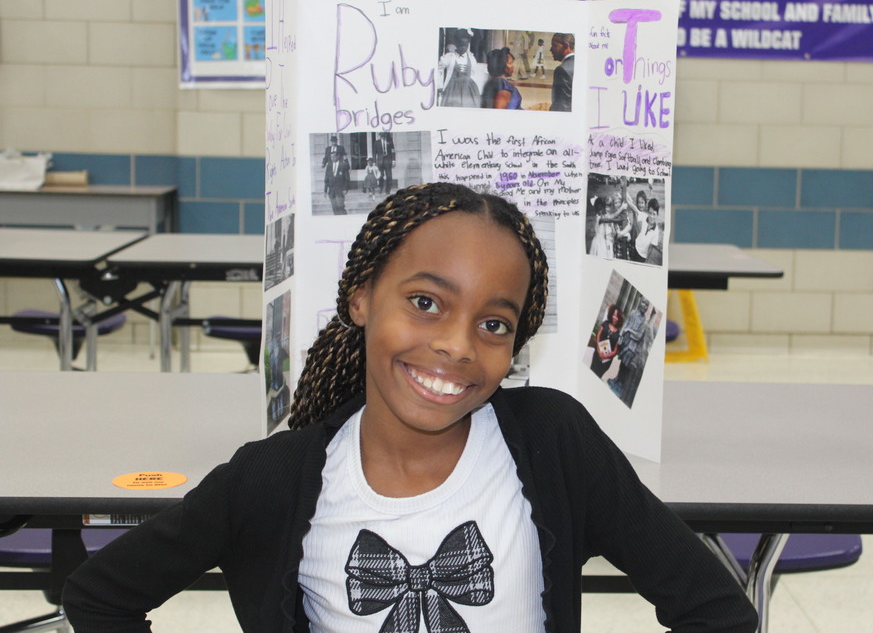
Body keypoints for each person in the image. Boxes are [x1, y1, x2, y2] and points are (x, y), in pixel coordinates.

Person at [62, 183, 757, 633]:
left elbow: (717, 611)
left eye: (493, 324)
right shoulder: (270, 480)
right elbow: (99, 597)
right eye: (425, 303)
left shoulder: (553, 443)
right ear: (362, 296)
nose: (457, 345)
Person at [608, 297, 654, 407]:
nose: (644, 306)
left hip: (633, 346)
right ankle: (617, 379)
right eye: (643, 303)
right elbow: (625, 325)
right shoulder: (633, 313)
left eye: (646, 305)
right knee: (621, 362)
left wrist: (629, 331)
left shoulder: (644, 322)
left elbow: (638, 336)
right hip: (626, 341)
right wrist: (621, 335)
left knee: (626, 364)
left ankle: (621, 385)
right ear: (639, 302)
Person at [438, 29, 481, 108]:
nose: (463, 48)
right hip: (452, 89)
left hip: (468, 90)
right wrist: (439, 86)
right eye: (461, 45)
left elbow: (474, 74)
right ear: (456, 43)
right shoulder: (449, 57)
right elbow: (438, 70)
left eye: (465, 45)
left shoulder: (471, 59)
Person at [589, 303, 622, 379]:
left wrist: (605, 356)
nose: (615, 318)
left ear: (619, 318)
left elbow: (615, 351)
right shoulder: (605, 324)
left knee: (597, 376)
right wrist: (598, 349)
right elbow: (598, 335)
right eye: (614, 315)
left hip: (606, 361)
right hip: (597, 354)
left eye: (617, 316)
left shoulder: (618, 335)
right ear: (611, 314)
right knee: (591, 371)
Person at [549, 33, 575, 112]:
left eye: (554, 45)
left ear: (566, 46)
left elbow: (561, 105)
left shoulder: (561, 70)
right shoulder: (579, 64)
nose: (551, 49)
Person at [323, 143, 349, 215]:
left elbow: (347, 178)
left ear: (338, 156)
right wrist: (325, 190)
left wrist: (345, 189)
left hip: (340, 190)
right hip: (331, 191)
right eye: (331, 157)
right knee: (334, 208)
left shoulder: (343, 165)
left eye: (334, 157)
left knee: (340, 207)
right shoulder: (329, 166)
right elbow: (326, 179)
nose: (332, 158)